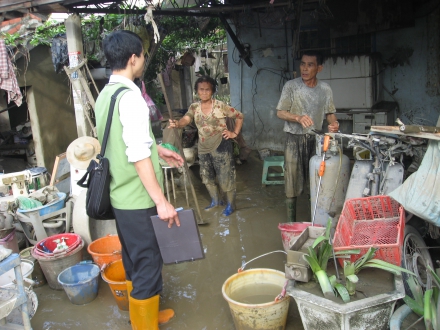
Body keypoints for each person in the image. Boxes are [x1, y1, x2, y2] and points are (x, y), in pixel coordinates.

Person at [96, 30, 184, 329]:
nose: (144, 60)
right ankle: (144, 325)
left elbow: (119, 142)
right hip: (138, 200)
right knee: (147, 263)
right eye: (143, 55)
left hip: (120, 198)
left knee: (135, 259)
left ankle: (145, 313)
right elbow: (135, 155)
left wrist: (156, 147)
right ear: (133, 58)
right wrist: (161, 202)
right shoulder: (131, 98)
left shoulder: (106, 94)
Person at [276, 50, 339, 222]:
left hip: (315, 140)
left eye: (310, 65)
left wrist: (334, 124)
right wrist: (297, 117)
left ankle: (316, 222)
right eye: (302, 64)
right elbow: (280, 112)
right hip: (293, 139)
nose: (304, 68)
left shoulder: (325, 89)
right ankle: (291, 223)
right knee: (292, 182)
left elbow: (330, 114)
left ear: (319, 68)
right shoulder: (291, 86)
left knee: (317, 181)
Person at [168, 76, 244, 216]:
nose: (204, 92)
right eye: (201, 89)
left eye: (207, 89)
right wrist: (178, 124)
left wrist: (234, 133)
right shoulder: (194, 107)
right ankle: (216, 201)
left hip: (221, 145)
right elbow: (187, 118)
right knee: (206, 177)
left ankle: (231, 205)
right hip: (203, 147)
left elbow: (239, 116)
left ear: (212, 91)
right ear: (197, 91)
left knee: (226, 177)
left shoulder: (220, 106)